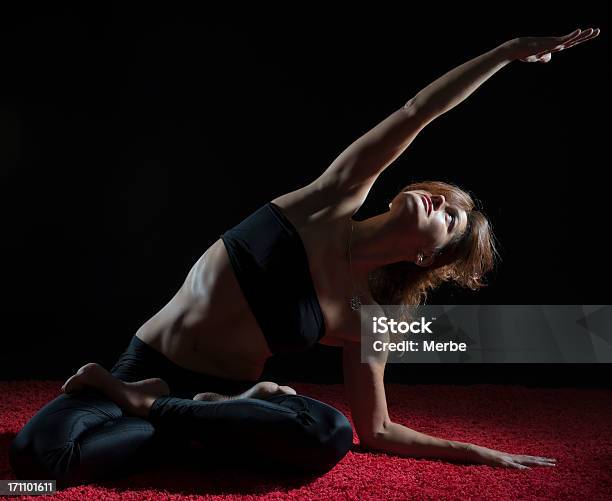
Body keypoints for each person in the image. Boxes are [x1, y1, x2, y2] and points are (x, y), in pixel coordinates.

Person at [10, 27, 599, 487]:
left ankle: (163, 411)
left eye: (449, 217)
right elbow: (421, 110)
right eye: (444, 198)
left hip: (225, 409)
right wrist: (507, 53)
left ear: (427, 256)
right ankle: (146, 403)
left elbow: (378, 430)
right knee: (40, 463)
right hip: (141, 366)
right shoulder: (331, 199)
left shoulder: (369, 320)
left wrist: (475, 451)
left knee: (331, 432)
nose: (438, 202)